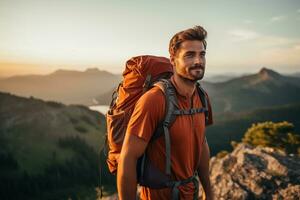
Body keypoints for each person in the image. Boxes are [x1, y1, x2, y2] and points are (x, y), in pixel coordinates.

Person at [117, 26, 214, 200]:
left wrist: (210, 193)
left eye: (202, 54)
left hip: (191, 193)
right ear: (173, 60)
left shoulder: (202, 97)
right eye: (189, 55)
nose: (198, 61)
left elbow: (201, 143)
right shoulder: (155, 100)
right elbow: (128, 157)